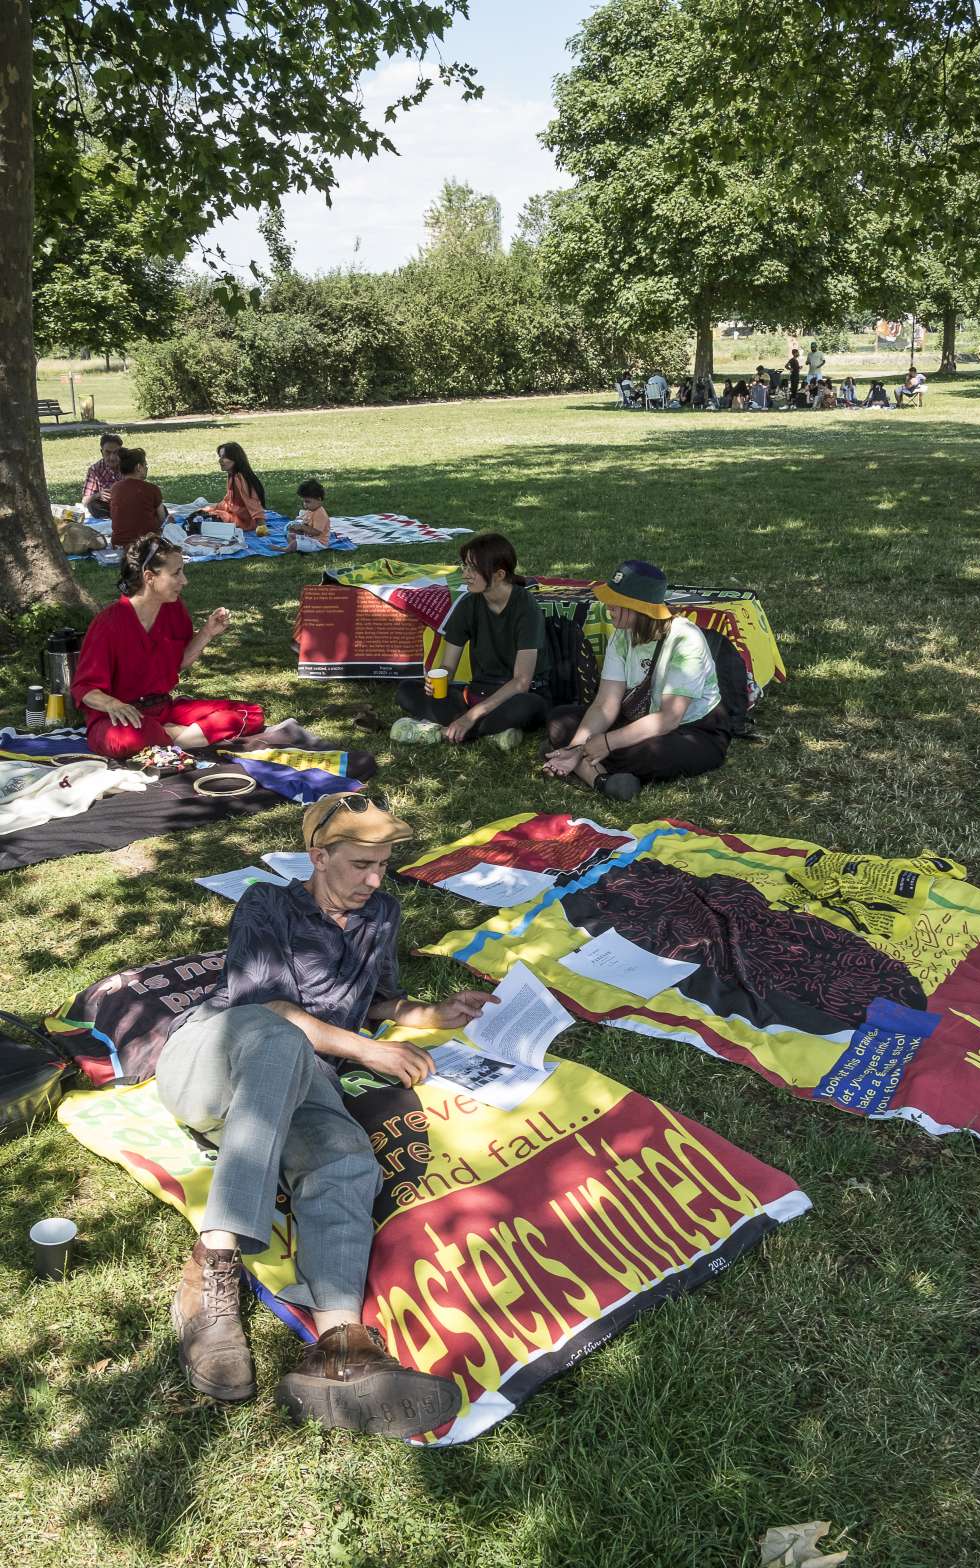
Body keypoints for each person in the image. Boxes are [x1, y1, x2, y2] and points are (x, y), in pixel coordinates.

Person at [155, 791, 495, 1431]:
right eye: (361, 864)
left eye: (384, 864)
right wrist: (369, 1053)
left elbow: (372, 1002)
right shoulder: (267, 904)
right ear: (318, 855)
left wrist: (429, 1015)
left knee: (345, 1158)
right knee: (281, 1039)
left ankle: (342, 1344)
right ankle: (214, 1267)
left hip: (298, 1078)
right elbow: (274, 1012)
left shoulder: (382, 913)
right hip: (214, 1063)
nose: (374, 879)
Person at [542, 560, 729, 802]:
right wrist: (576, 747)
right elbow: (605, 704)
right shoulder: (622, 634)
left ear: (639, 608)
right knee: (560, 720)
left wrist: (607, 743)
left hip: (692, 729)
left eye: (617, 603)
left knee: (650, 754)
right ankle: (599, 778)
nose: (608, 607)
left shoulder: (686, 641)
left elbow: (669, 719)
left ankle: (586, 766)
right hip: (638, 719)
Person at [71, 534, 265, 760]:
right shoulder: (109, 623)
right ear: (149, 577)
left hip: (163, 710)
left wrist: (207, 633)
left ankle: (172, 738)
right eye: (176, 573)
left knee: (249, 713)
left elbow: (178, 662)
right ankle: (182, 737)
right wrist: (114, 705)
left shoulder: (173, 610)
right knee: (127, 738)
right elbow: (84, 688)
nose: (184, 581)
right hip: (120, 719)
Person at [392, 532, 550, 749]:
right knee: (407, 689)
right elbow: (448, 665)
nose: (466, 574)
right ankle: (491, 733)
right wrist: (438, 681)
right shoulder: (468, 605)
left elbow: (521, 682)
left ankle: (448, 729)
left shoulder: (526, 607)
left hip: (517, 694)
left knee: (525, 707)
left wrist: (470, 717)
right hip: (477, 692)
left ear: (499, 574)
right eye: (465, 566)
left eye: (473, 569)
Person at [109, 447, 167, 548]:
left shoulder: (115, 488)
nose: (147, 468)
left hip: (118, 543)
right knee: (164, 511)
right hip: (146, 543)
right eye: (145, 465)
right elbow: (162, 519)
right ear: (139, 467)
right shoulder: (152, 489)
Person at [204, 443, 266, 533]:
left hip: (244, 522)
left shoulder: (240, 478)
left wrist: (262, 526)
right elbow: (228, 500)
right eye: (220, 457)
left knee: (203, 519)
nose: (220, 460)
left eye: (224, 457)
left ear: (236, 459)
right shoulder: (232, 475)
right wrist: (213, 508)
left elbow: (253, 503)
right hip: (234, 514)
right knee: (202, 513)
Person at [81, 432, 124, 520]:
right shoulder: (95, 470)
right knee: (92, 505)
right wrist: (99, 495)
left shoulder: (128, 465)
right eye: (107, 453)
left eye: (116, 452)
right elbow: (85, 501)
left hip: (127, 502)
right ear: (102, 452)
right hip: (108, 507)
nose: (112, 457)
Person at [287, 479, 331, 553]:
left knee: (294, 543)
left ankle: (294, 548)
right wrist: (297, 524)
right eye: (304, 501)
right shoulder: (311, 510)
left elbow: (316, 532)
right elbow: (305, 520)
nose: (305, 504)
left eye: (307, 501)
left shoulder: (320, 514)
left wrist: (302, 527)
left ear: (318, 499)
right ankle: (297, 548)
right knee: (290, 535)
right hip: (309, 538)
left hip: (318, 543)